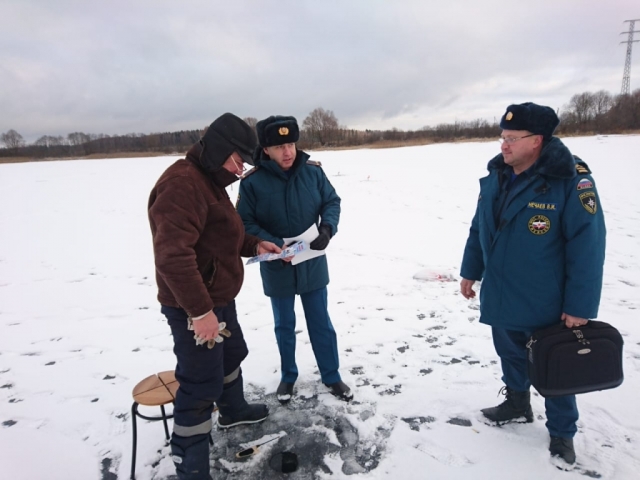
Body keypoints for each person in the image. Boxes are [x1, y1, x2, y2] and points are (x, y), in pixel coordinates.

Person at [459, 102, 606, 465]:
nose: (503, 145)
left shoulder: (570, 180)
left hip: (547, 302)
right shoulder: (498, 175)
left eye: (511, 139)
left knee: (555, 367)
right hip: (503, 295)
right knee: (510, 354)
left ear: (537, 140)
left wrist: (579, 307)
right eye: (502, 137)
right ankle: (517, 403)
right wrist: (470, 270)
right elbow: (480, 228)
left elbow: (588, 247)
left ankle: (561, 432)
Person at [148, 113, 282, 480]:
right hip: (193, 307)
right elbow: (173, 257)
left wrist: (255, 243)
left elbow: (224, 233)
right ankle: (188, 461)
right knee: (199, 381)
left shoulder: (208, 181)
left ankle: (233, 408)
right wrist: (200, 311)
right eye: (239, 160)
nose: (241, 170)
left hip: (218, 297)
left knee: (232, 353)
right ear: (220, 149)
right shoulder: (182, 185)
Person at [236, 115, 353, 404]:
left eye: (290, 144)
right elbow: (244, 222)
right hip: (277, 265)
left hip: (312, 262)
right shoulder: (252, 183)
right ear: (266, 150)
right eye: (278, 147)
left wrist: (327, 228)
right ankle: (288, 376)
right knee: (284, 325)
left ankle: (331, 376)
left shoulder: (313, 172)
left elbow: (331, 202)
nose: (287, 152)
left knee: (320, 323)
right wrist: (274, 245)